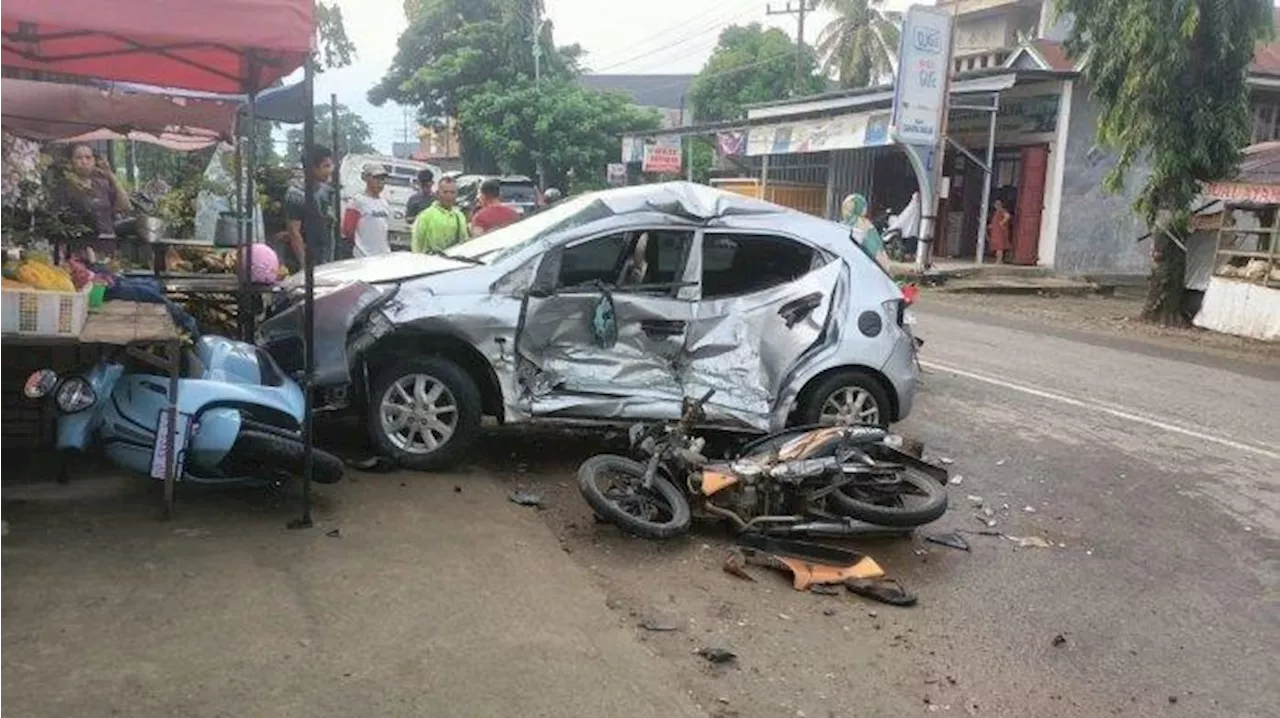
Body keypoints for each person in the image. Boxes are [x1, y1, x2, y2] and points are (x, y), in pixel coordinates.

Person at [53, 144, 131, 260]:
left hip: (107, 248)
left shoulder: (101, 185)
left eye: (88, 157)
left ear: (94, 161)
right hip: (79, 252)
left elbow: (124, 205)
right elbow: (58, 221)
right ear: (71, 162)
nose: (84, 162)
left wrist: (110, 175)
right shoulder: (64, 187)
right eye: (79, 158)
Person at [281, 144, 336, 272]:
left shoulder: (326, 191)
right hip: (304, 263)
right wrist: (304, 265)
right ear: (312, 169)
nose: (330, 170)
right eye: (325, 166)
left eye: (331, 165)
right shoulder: (296, 194)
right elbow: (294, 232)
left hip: (325, 259)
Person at [342, 163, 393, 258]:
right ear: (366, 178)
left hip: (383, 255)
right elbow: (348, 230)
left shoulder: (384, 203)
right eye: (376, 178)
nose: (380, 182)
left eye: (382, 179)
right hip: (363, 255)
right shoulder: (357, 201)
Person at [411, 175, 468, 253]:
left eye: (452, 192)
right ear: (437, 193)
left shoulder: (459, 216)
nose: (449, 196)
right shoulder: (426, 216)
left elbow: (464, 242)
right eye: (445, 192)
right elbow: (417, 244)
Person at [841, 193, 892, 273]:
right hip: (865, 265)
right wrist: (884, 264)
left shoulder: (841, 225)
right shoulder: (864, 224)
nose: (866, 209)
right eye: (864, 206)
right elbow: (873, 246)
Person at [988, 199, 1013, 263]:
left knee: (999, 247)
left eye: (998, 204)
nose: (996, 205)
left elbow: (1007, 216)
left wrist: (1002, 222)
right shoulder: (996, 212)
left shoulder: (1001, 210)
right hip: (995, 231)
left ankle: (999, 260)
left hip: (1000, 232)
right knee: (996, 246)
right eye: (996, 204)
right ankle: (998, 260)